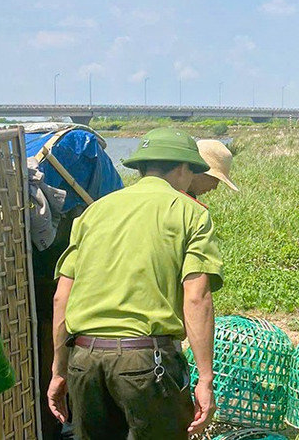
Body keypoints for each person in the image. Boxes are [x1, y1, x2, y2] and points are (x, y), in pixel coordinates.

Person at [47, 128, 223, 440]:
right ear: (182, 168)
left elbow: (62, 296)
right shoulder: (190, 213)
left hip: (84, 362)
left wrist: (58, 371)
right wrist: (205, 379)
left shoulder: (94, 212)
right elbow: (196, 297)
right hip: (145, 362)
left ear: (142, 167)